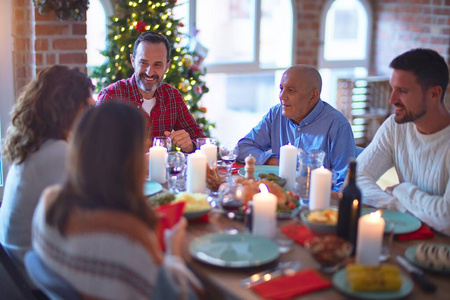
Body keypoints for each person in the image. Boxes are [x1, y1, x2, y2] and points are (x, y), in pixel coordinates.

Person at [32, 102, 201, 299]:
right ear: (129, 160)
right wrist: (173, 253)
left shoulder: (49, 201)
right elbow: (185, 296)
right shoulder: (127, 237)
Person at [0, 65, 94, 270]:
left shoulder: (37, 145)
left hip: (19, 267)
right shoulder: (56, 153)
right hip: (34, 277)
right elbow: (90, 214)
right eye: (87, 105)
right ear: (68, 107)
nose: (91, 113)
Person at [356, 48, 450, 235]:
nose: (392, 99)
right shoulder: (395, 126)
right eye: (393, 88)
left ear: (434, 94)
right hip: (410, 236)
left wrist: (403, 191)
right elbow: (356, 178)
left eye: (403, 91)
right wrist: (399, 205)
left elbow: (446, 219)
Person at [236, 65, 356, 190]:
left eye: (291, 90)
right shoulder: (276, 114)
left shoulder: (338, 125)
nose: (282, 96)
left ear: (313, 96)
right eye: (281, 88)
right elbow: (242, 148)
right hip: (279, 195)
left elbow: (344, 183)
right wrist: (276, 161)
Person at [96, 31, 206, 153]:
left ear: (167, 66)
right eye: (143, 63)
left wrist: (191, 145)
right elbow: (93, 148)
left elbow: (202, 141)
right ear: (133, 61)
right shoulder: (110, 96)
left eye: (157, 65)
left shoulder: (172, 97)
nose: (149, 72)